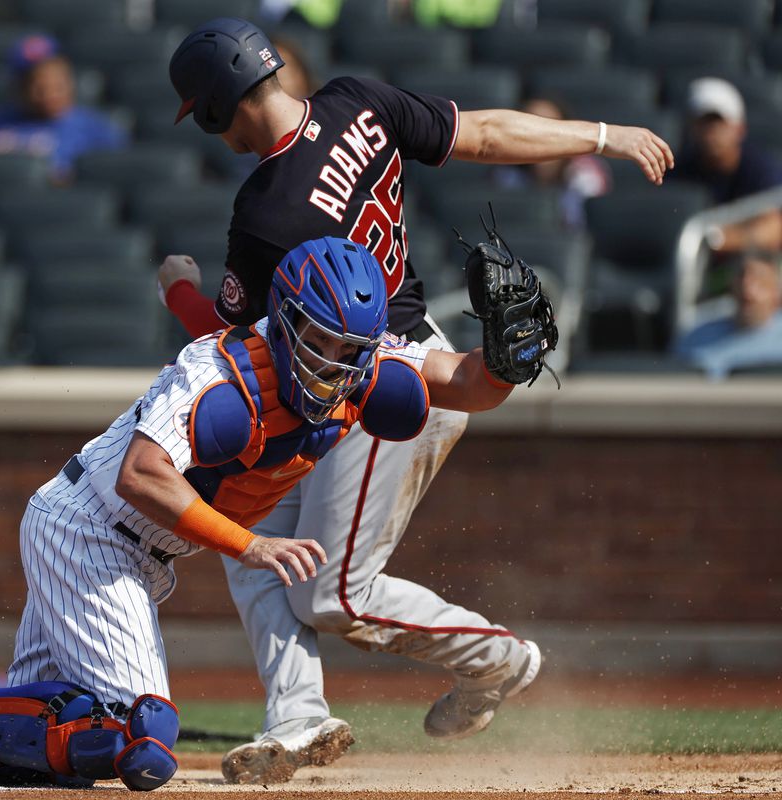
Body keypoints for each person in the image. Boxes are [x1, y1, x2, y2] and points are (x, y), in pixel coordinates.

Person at [0, 234, 550, 789]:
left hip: (135, 556)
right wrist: (249, 546)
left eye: (351, 347)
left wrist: (507, 361)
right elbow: (146, 475)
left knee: (54, 748)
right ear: (284, 320)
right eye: (318, 338)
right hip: (90, 532)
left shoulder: (365, 367)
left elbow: (466, 383)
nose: (334, 361)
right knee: (140, 744)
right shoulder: (216, 375)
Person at [160, 17, 673, 784]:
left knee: (335, 596)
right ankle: (297, 719)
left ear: (212, 107)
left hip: (381, 385)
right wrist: (602, 135)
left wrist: (175, 289)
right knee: (254, 541)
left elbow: (229, 339)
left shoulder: (266, 210)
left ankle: (498, 657)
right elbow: (490, 133)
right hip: (399, 361)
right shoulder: (355, 102)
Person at [0, 33, 127, 183]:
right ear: (18, 88)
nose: (49, 92)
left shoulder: (96, 131)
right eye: (37, 85)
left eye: (57, 83)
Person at [671, 77, 782, 255]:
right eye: (703, 123)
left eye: (718, 122)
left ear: (739, 129)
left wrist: (718, 239)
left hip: (749, 260)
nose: (711, 132)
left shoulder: (761, 169)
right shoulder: (678, 172)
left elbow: (773, 230)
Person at [491, 96, 611, 230]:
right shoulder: (505, 176)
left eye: (549, 127)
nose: (540, 136)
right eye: (529, 127)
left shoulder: (587, 173)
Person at [675, 252, 782, 379]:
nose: (747, 290)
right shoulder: (696, 338)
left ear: (776, 292)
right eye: (741, 277)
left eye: (760, 281)